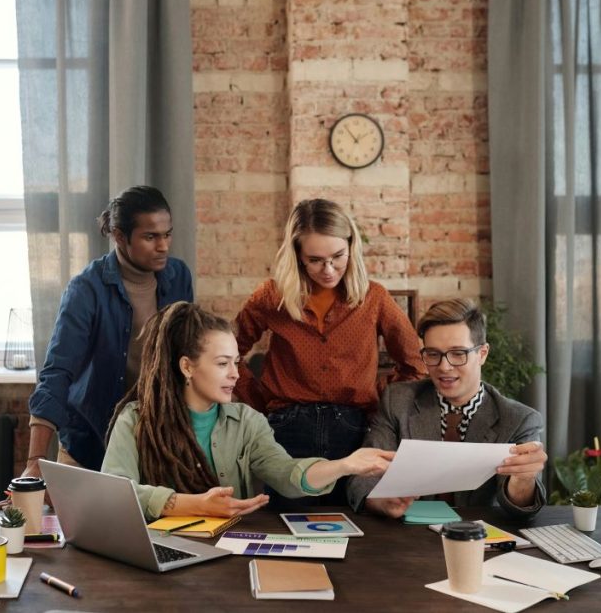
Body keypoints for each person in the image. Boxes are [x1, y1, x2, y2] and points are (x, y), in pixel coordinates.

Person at [101, 302, 394, 519]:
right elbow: (114, 494)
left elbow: (287, 474)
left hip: (229, 555)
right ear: (187, 366)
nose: (235, 374)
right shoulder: (136, 420)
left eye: (236, 361)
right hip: (158, 552)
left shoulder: (247, 422)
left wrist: (345, 465)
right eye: (222, 363)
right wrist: (193, 504)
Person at [234, 198, 427, 506]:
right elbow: (230, 354)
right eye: (315, 260)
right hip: (286, 431)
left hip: (352, 431)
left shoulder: (374, 298)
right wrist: (260, 402)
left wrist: (374, 393)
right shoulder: (271, 297)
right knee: (287, 524)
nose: (328, 269)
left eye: (338, 256)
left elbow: (415, 364)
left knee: (354, 527)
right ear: (298, 255)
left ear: (352, 246)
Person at [25, 186, 194, 477]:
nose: (163, 246)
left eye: (167, 234)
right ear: (119, 236)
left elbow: (188, 354)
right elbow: (57, 373)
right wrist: (35, 461)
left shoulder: (178, 277)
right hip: (90, 446)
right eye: (150, 237)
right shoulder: (86, 289)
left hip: (157, 446)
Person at [347, 298, 548, 519]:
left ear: (482, 354)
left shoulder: (519, 419)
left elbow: (519, 509)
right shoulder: (398, 400)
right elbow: (362, 477)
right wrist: (380, 501)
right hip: (406, 538)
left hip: (479, 540)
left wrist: (524, 479)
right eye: (433, 354)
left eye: (458, 354)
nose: (444, 367)